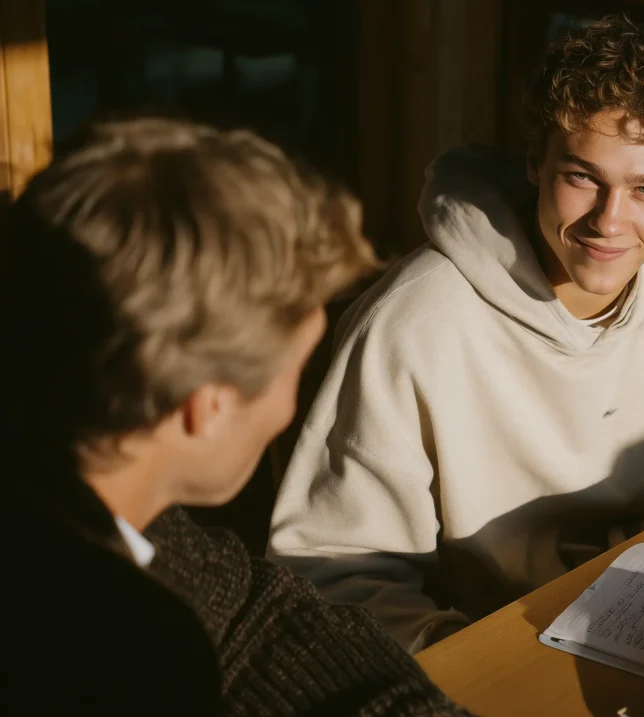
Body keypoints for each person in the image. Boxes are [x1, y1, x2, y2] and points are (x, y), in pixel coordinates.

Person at [269, 14, 644, 652]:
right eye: (582, 177)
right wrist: (471, 659)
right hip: (476, 642)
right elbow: (331, 567)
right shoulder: (412, 322)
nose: (609, 221)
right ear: (535, 165)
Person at [1, 118, 471, 716]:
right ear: (208, 407)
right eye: (296, 373)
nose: (287, 411)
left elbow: (251, 612)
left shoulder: (88, 490)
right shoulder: (111, 657)